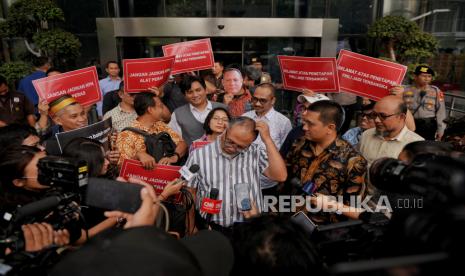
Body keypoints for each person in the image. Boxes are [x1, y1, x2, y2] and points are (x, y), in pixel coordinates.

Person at [184, 117, 287, 234]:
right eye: (230, 141)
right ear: (226, 129)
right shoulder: (198, 155)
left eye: (240, 146)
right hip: (212, 228)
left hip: (249, 227)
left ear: (250, 143)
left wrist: (267, 139)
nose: (232, 148)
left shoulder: (255, 152)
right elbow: (190, 193)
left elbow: (280, 176)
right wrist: (190, 226)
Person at [284, 100, 368, 224]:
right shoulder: (299, 143)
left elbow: (355, 209)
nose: (304, 127)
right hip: (288, 223)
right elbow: (285, 181)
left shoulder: (353, 161)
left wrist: (331, 205)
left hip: (324, 232)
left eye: (310, 124)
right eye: (304, 121)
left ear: (330, 128)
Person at [243, 83, 292, 194]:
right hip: (244, 181)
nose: (257, 103)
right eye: (254, 99)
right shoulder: (245, 117)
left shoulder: (283, 122)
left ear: (273, 100)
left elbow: (286, 153)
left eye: (263, 100)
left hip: (268, 183)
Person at [116, 92, 187, 169]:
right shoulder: (126, 135)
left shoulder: (160, 125)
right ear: (150, 110)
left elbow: (182, 143)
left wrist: (174, 157)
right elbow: (122, 167)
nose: (163, 110)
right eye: (160, 106)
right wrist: (138, 156)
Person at [359, 95, 425, 166]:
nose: (376, 120)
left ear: (401, 117)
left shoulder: (416, 144)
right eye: (374, 115)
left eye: (383, 116)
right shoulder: (366, 134)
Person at [169, 75, 227, 145]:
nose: (195, 95)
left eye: (198, 90)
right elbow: (175, 141)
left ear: (205, 90)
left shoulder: (223, 108)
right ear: (184, 95)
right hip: (192, 154)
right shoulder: (178, 114)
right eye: (190, 92)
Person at [280, 90, 329, 158]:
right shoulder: (295, 132)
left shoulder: (331, 139)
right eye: (304, 108)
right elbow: (281, 157)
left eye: (310, 109)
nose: (303, 113)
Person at [402, 65, 447, 140]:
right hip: (409, 124)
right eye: (424, 76)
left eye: (429, 76)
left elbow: (441, 112)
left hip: (427, 126)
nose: (427, 79)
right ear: (415, 76)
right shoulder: (405, 90)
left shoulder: (436, 91)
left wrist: (441, 130)